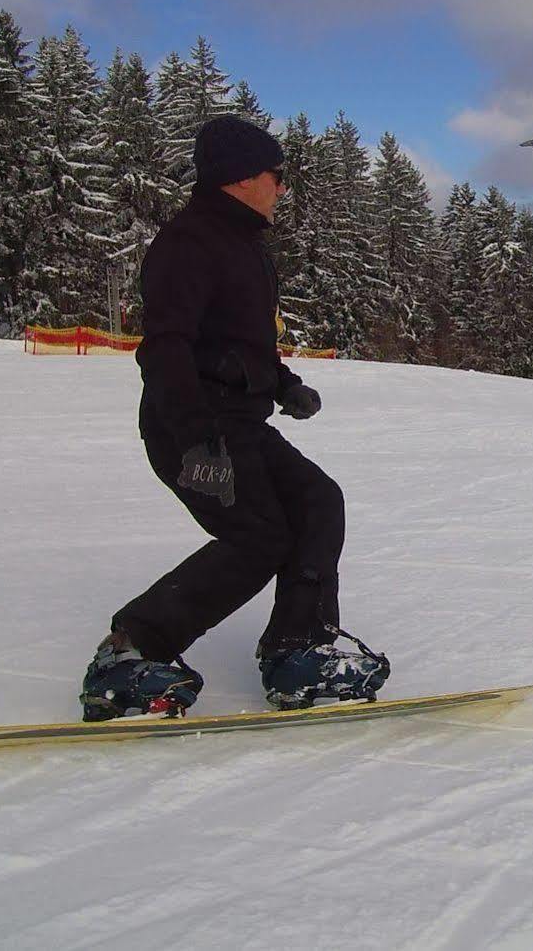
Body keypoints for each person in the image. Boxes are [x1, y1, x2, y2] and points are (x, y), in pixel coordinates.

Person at [80, 115, 388, 722]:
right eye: (277, 176)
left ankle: (297, 649)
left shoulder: (247, 249)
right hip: (192, 423)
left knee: (318, 500)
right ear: (242, 177)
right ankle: (130, 651)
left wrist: (285, 385)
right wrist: (195, 440)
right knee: (258, 536)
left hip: (240, 423)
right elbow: (166, 347)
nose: (282, 188)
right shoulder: (187, 244)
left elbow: (243, 346)